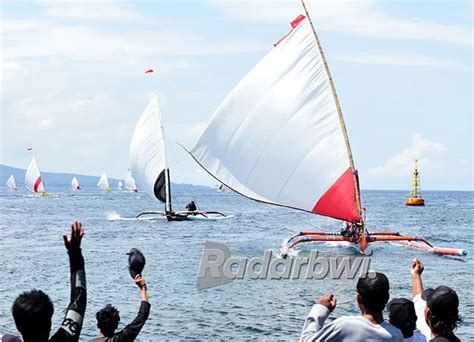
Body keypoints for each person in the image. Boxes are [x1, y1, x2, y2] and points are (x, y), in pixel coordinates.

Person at [10, 221, 87, 342]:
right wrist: (75, 253)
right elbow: (79, 300)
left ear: (17, 325)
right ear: (50, 322)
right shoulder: (65, 338)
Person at [300, 272, 403, 341]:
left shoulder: (345, 326)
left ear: (359, 298)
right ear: (387, 298)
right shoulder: (397, 335)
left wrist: (321, 309)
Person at [411, 258, 461, 342]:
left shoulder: (424, 335)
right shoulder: (455, 340)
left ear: (427, 313)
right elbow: (418, 300)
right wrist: (416, 275)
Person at [91, 274, 151, 341]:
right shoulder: (121, 339)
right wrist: (143, 288)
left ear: (98, 325)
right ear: (116, 325)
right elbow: (142, 316)